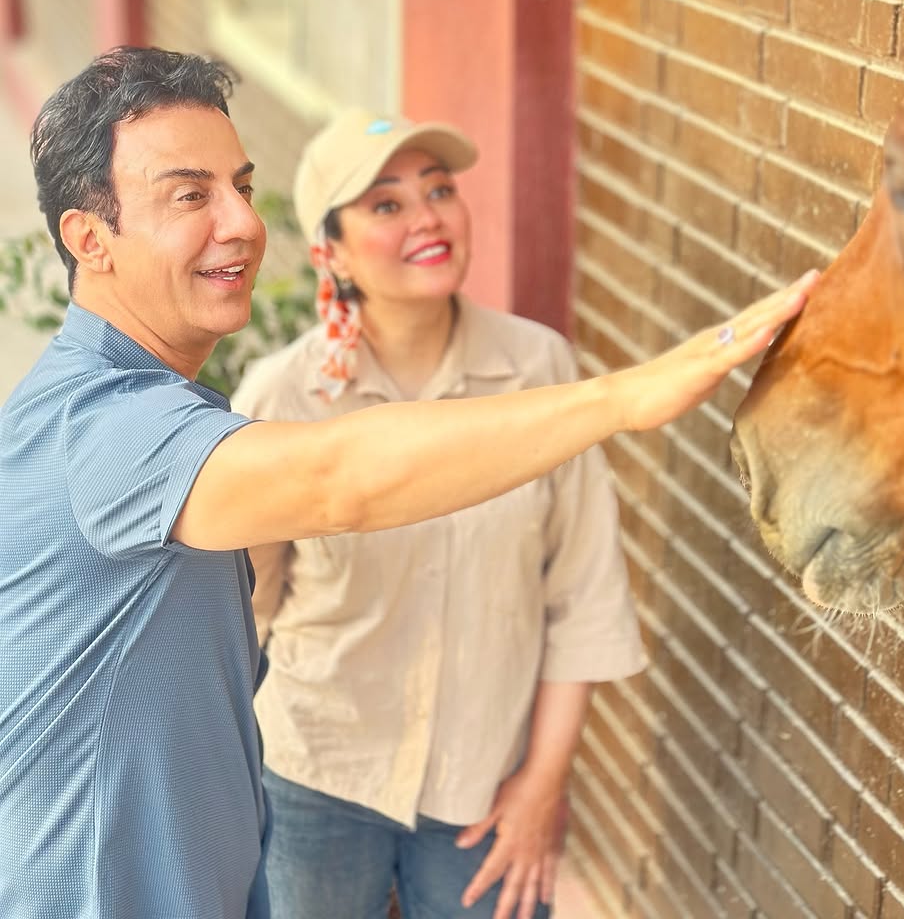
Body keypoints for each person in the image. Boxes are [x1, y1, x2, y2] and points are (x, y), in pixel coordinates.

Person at [0, 47, 817, 919]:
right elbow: (338, 481)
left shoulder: (155, 403)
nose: (240, 221)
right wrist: (625, 397)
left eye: (241, 185)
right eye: (191, 195)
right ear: (91, 239)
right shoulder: (110, 426)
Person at [232, 108, 646, 919]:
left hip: (482, 783)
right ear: (333, 250)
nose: (427, 217)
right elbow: (244, 611)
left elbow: (584, 596)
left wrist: (542, 787)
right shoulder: (282, 399)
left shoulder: (539, 372)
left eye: (440, 190)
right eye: (386, 204)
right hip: (317, 771)